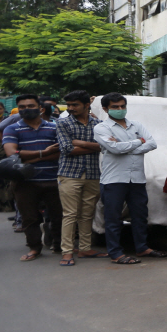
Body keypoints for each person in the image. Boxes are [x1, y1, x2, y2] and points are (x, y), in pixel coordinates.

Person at [96, 93, 164, 265]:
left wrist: (125, 147)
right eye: (115, 107)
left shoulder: (136, 125)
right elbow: (114, 149)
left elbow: (152, 143)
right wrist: (138, 142)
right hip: (114, 180)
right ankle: (116, 253)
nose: (120, 109)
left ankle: (142, 247)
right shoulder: (101, 128)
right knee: (113, 218)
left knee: (140, 215)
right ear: (105, 109)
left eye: (122, 106)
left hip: (137, 179)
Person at [3, 94, 63, 261]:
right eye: (22, 107)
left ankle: (59, 245)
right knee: (29, 218)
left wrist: (29, 158)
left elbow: (61, 152)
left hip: (53, 179)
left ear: (41, 109)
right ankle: (34, 248)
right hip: (24, 182)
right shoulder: (12, 129)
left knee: (59, 216)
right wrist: (44, 152)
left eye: (30, 106)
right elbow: (11, 153)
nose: (26, 109)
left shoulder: (55, 127)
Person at [55, 90, 106, 266]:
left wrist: (80, 143)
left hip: (93, 173)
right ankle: (67, 252)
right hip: (69, 174)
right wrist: (95, 146)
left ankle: (85, 248)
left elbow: (105, 147)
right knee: (70, 214)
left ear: (86, 105)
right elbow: (67, 149)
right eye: (68, 105)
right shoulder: (63, 123)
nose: (70, 108)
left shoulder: (99, 124)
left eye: (74, 105)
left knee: (87, 213)